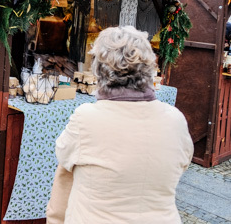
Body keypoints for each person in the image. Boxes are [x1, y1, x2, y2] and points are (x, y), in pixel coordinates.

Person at [46, 26, 194, 223]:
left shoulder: (86, 118)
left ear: (99, 69)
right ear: (150, 67)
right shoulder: (175, 119)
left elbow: (64, 162)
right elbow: (181, 164)